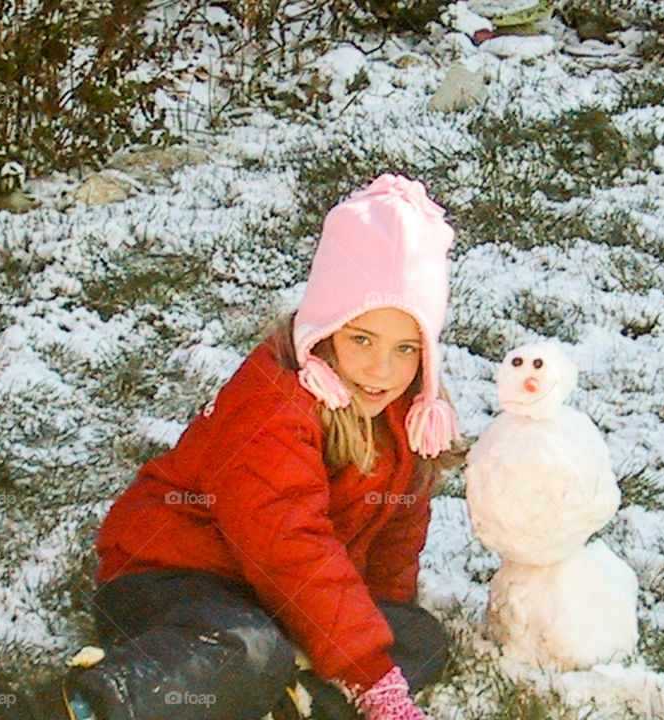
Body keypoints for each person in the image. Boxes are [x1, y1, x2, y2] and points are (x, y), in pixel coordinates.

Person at [64, 173, 463, 720]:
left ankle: (301, 703)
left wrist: (379, 637)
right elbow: (287, 543)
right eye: (361, 339)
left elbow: (394, 538)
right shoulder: (272, 403)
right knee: (250, 650)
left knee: (417, 636)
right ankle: (95, 703)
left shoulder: (408, 415)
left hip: (276, 594)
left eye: (406, 348)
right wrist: (369, 675)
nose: (381, 370)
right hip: (174, 575)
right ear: (322, 332)